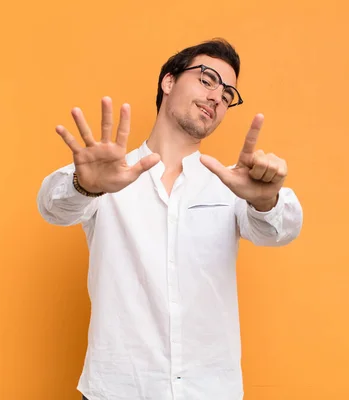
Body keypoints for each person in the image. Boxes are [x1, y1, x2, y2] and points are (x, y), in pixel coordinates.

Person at [37, 38, 303, 400]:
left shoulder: (232, 183)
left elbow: (281, 231)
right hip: (119, 387)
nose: (216, 97)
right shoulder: (111, 171)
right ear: (169, 81)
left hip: (209, 390)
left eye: (227, 95)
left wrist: (266, 200)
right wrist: (85, 185)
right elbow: (53, 208)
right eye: (207, 80)